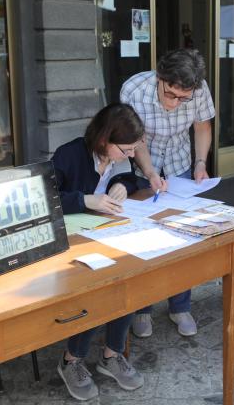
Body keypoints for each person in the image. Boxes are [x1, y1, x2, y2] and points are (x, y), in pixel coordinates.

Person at [52, 103, 145, 401]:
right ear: (105, 140)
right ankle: (71, 360)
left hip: (106, 234)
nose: (130, 155)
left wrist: (121, 183)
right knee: (97, 289)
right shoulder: (69, 155)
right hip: (72, 241)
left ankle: (111, 355)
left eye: (133, 150)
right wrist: (85, 200)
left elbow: (132, 178)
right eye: (126, 149)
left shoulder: (118, 158)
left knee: (128, 279)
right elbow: (45, 199)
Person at [120, 48, 215, 338]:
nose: (175, 104)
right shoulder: (134, 89)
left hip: (180, 164)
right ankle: (142, 308)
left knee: (181, 237)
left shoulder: (198, 89)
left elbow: (202, 127)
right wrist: (149, 173)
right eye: (170, 95)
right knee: (144, 240)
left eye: (183, 98)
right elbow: (134, 139)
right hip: (142, 165)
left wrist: (200, 163)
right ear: (159, 78)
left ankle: (180, 306)